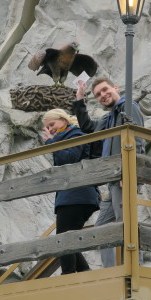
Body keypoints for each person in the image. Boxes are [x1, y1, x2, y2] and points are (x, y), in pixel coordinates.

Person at [73, 77, 146, 267]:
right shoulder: (110, 117)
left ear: (115, 88)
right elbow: (89, 127)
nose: (103, 95)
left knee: (126, 223)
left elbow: (137, 140)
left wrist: (129, 173)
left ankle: (133, 270)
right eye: (98, 94)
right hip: (113, 178)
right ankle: (111, 271)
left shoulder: (128, 107)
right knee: (102, 229)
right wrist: (80, 99)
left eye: (105, 90)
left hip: (123, 176)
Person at [42, 109, 100, 273]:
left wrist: (51, 143)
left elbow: (68, 159)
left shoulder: (75, 134)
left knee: (63, 239)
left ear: (63, 120)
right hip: (73, 196)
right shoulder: (66, 136)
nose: (50, 129)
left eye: (52, 124)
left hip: (76, 195)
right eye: (47, 127)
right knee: (68, 239)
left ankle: (69, 275)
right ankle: (84, 275)